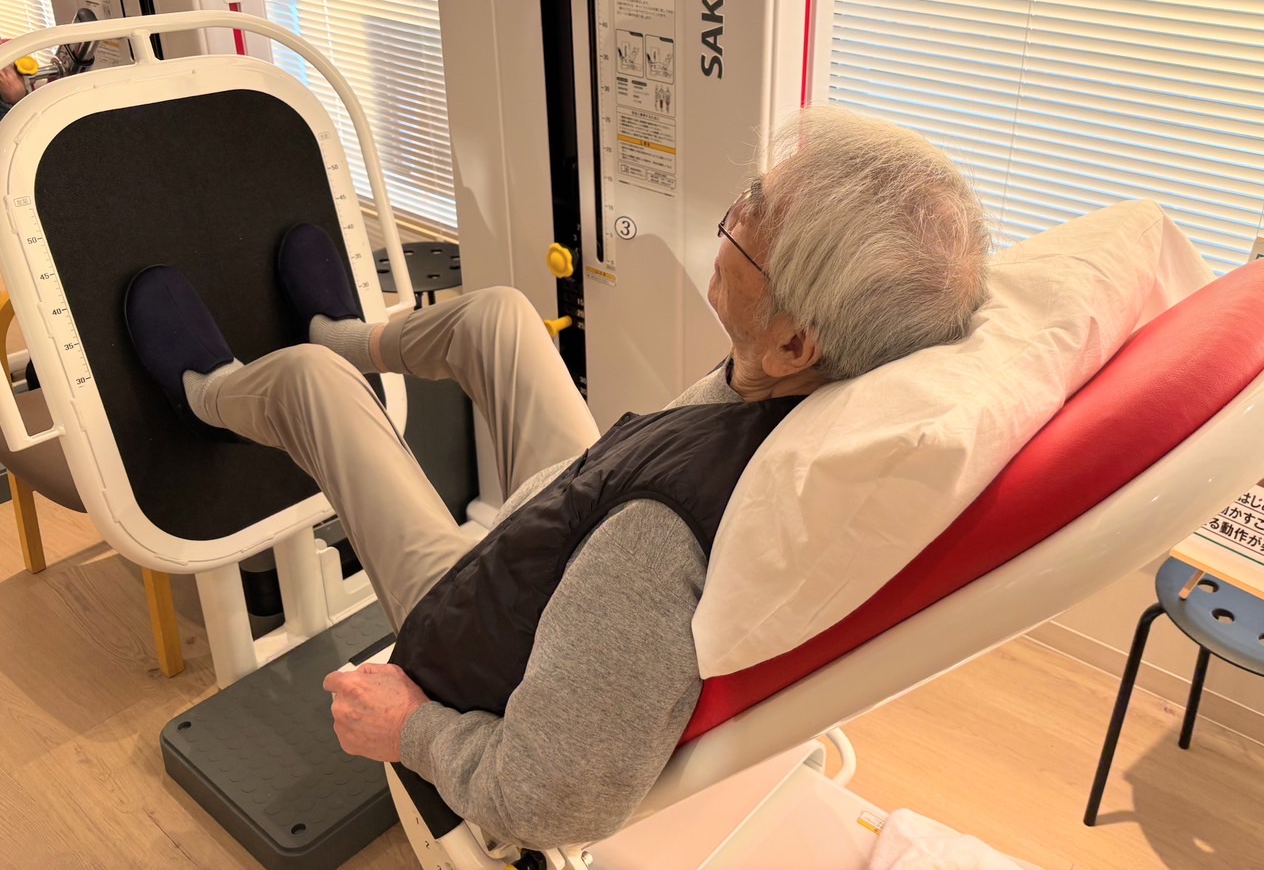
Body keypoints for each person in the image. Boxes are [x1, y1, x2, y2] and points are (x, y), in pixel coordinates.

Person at [124, 106, 991, 852]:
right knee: (499, 316)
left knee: (311, 384)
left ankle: (206, 393)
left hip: (474, 620)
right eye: (753, 194)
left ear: (795, 343)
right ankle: (342, 334)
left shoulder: (655, 542)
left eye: (747, 220)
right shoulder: (785, 383)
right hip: (569, 530)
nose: (727, 221)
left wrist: (410, 729)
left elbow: (552, 801)